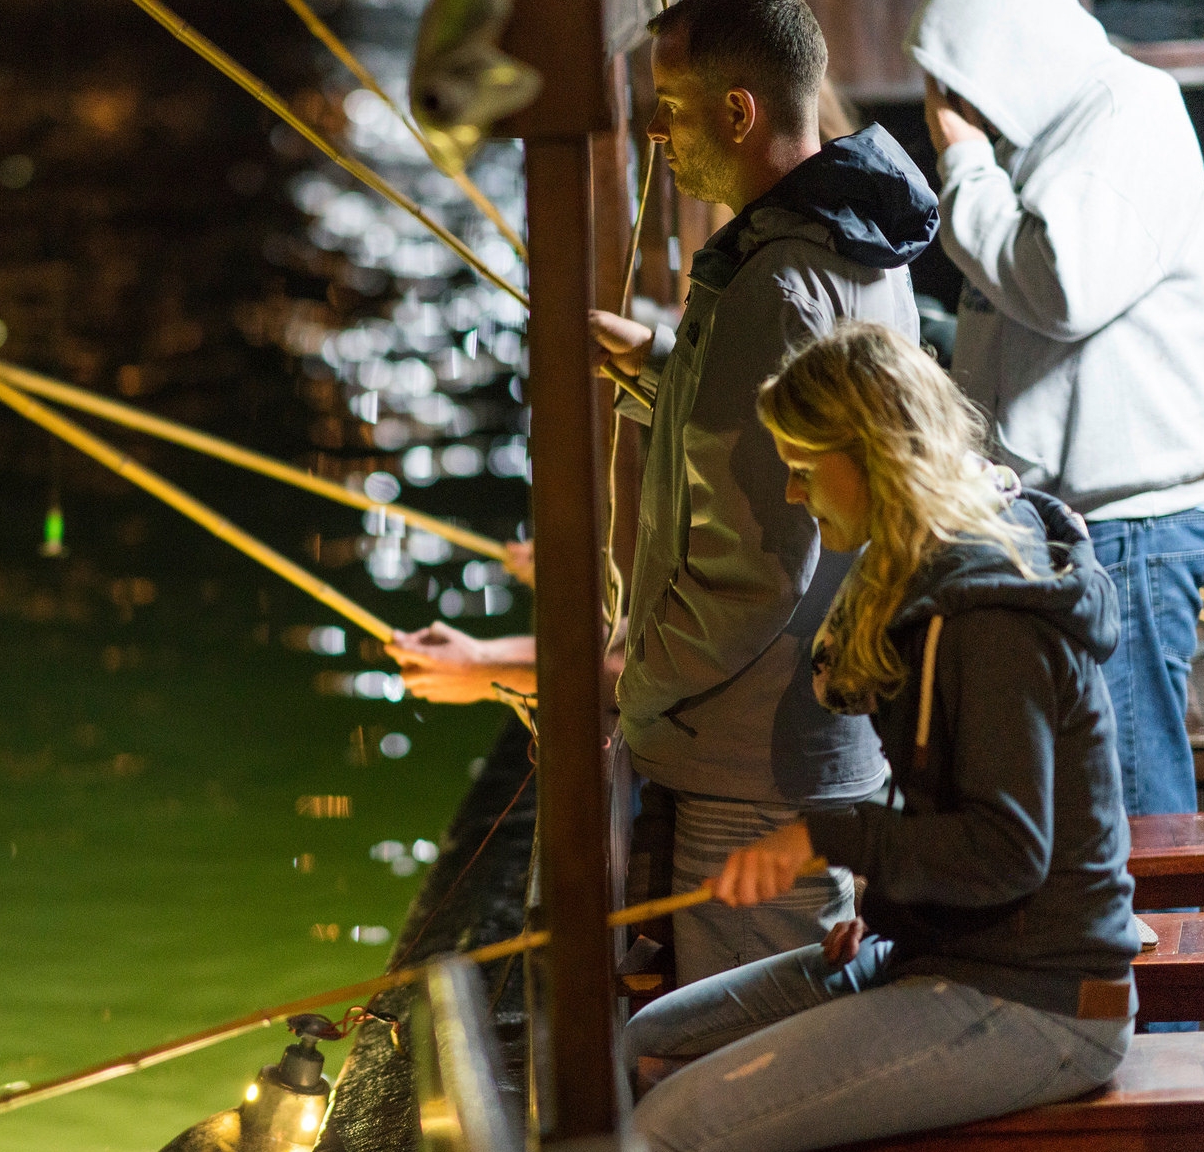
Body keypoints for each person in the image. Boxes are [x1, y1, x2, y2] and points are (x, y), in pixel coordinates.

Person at [397, 0, 939, 984]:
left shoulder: (776, 286)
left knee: (759, 1057)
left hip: (752, 755)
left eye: (672, 107)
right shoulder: (858, 242)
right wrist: (662, 364)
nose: (654, 130)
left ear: (737, 113)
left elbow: (754, 574)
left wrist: (630, 690)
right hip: (813, 731)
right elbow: (794, 422)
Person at [625, 322, 1139, 1152]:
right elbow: (956, 819)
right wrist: (902, 908)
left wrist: (823, 838)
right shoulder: (925, 579)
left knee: (671, 1125)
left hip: (1041, 1000)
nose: (793, 495)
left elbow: (1009, 850)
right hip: (948, 952)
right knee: (644, 1040)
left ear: (873, 457)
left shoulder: (987, 616)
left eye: (800, 469)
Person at [909, 0, 1204, 818]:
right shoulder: (1057, 129)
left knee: (1126, 808)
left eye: (950, 87)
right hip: (1079, 526)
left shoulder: (1128, 112)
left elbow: (1060, 285)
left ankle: (1165, 949)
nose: (943, 109)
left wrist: (966, 163)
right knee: (1092, 806)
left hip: (1129, 531)